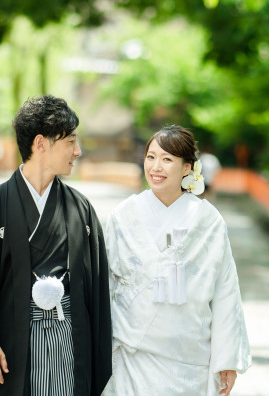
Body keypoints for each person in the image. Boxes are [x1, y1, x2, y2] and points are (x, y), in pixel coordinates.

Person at [0, 95, 112, 396]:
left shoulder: (80, 208)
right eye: (70, 141)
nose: (78, 150)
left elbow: (96, 289)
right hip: (12, 341)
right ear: (41, 144)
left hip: (69, 340)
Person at [102, 125, 251, 396]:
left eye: (167, 159)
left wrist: (226, 358)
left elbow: (225, 290)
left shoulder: (208, 220)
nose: (156, 167)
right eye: (150, 157)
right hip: (132, 355)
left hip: (189, 360)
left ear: (187, 168)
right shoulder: (123, 216)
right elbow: (106, 285)